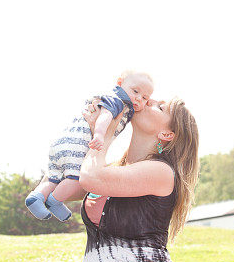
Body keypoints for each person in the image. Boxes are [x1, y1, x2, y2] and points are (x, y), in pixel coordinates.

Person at [58, 97, 234, 262]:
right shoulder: (115, 169)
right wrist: (95, 127)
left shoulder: (161, 172)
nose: (148, 101)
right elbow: (65, 186)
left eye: (160, 108)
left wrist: (103, 134)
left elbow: (91, 177)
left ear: (167, 134)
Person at [24, 71, 154, 222]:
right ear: (120, 83)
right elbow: (105, 116)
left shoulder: (112, 99)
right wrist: (99, 134)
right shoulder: (117, 101)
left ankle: (36, 196)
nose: (138, 98)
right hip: (77, 144)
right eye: (135, 91)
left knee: (54, 177)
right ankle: (54, 201)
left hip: (63, 143)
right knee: (75, 177)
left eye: (145, 98)